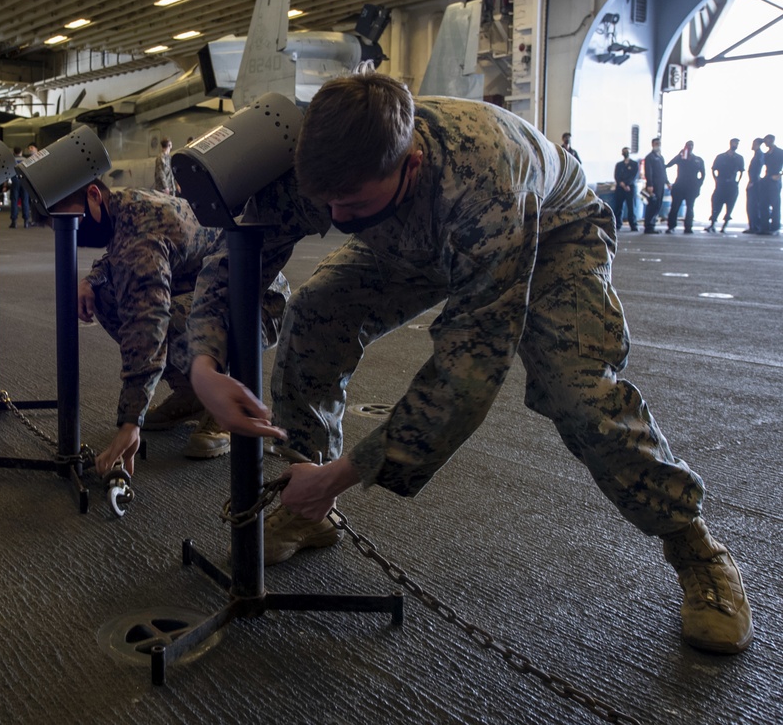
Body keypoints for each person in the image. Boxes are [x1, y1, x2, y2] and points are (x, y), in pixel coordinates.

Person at [188, 73, 753, 655]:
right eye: (325, 204)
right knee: (316, 311)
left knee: (579, 394)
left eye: (349, 204)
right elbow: (234, 261)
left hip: (552, 231)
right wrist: (204, 366)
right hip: (413, 234)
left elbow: (467, 370)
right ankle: (307, 504)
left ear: (408, 162)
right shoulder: (323, 156)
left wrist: (348, 473)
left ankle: (697, 552)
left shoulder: (484, 178)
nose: (332, 213)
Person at [52, 179, 289, 474]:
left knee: (165, 317)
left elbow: (147, 323)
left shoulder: (139, 233)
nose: (71, 231)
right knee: (106, 295)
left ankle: (226, 403)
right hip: (210, 288)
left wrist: (130, 420)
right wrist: (92, 279)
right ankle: (193, 394)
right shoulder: (123, 205)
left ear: (93, 195)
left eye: (70, 217)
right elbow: (118, 256)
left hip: (256, 302)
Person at [664, 141, 705, 233]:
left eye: (691, 145)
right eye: (688, 145)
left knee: (690, 208)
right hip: (679, 186)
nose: (690, 147)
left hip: (691, 187)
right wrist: (667, 181)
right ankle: (671, 226)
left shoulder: (698, 160)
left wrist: (698, 185)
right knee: (675, 207)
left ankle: (688, 227)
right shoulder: (680, 158)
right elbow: (667, 165)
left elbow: (703, 174)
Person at [706, 138, 745, 233]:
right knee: (716, 205)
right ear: (730, 143)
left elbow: (741, 171)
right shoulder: (721, 157)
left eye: (737, 144)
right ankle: (713, 224)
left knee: (730, 206)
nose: (735, 145)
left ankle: (724, 225)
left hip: (731, 186)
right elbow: (713, 169)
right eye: (735, 143)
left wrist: (737, 182)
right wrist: (716, 180)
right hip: (721, 184)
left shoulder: (739, 158)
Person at [757, 134, 781, 236]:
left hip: (775, 180)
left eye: (766, 141)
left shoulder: (780, 152)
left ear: (772, 140)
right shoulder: (766, 154)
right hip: (766, 179)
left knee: (775, 204)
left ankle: (775, 227)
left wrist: (780, 175)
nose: (765, 143)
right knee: (763, 203)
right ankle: (765, 227)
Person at [642, 137, 667, 234]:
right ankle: (648, 226)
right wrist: (650, 184)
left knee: (658, 205)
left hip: (661, 185)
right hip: (654, 185)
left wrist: (667, 182)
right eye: (656, 143)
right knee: (652, 205)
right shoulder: (650, 157)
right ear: (652, 144)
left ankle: (652, 224)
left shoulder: (660, 157)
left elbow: (664, 171)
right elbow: (648, 171)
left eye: (659, 143)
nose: (658, 145)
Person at [613, 146, 638, 231]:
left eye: (627, 151)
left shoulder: (634, 164)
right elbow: (616, 176)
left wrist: (627, 184)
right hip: (620, 188)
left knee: (631, 207)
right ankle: (617, 225)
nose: (625, 153)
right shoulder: (619, 165)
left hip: (630, 188)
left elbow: (634, 176)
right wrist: (622, 184)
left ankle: (633, 225)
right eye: (624, 152)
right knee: (618, 207)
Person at [744, 138, 764, 234]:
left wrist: (752, 181)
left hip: (754, 183)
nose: (752, 145)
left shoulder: (759, 155)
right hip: (754, 181)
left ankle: (754, 226)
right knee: (752, 206)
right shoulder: (758, 155)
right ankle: (753, 226)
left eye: (754, 144)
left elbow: (757, 169)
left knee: (753, 206)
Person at [9, 146, 30, 229]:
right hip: (24, 181)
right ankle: (26, 221)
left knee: (14, 201)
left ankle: (14, 221)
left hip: (15, 181)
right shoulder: (25, 160)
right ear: (21, 151)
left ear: (14, 152)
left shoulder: (11, 160)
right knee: (25, 200)